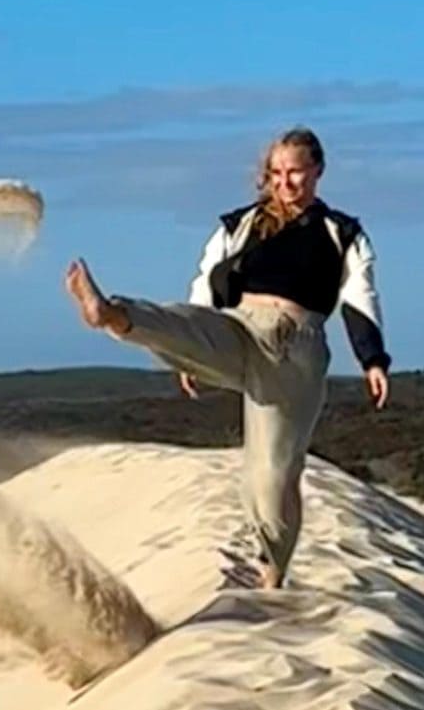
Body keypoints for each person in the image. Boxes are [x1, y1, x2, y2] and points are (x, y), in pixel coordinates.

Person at [64, 127, 391, 588]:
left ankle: (271, 569)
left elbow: (360, 295)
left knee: (271, 472)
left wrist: (372, 358)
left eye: (295, 172)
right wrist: (186, 356)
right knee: (175, 320)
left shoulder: (342, 232)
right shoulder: (240, 224)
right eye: (276, 173)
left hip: (294, 349)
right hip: (237, 327)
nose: (285, 182)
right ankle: (112, 314)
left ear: (318, 170)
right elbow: (203, 288)